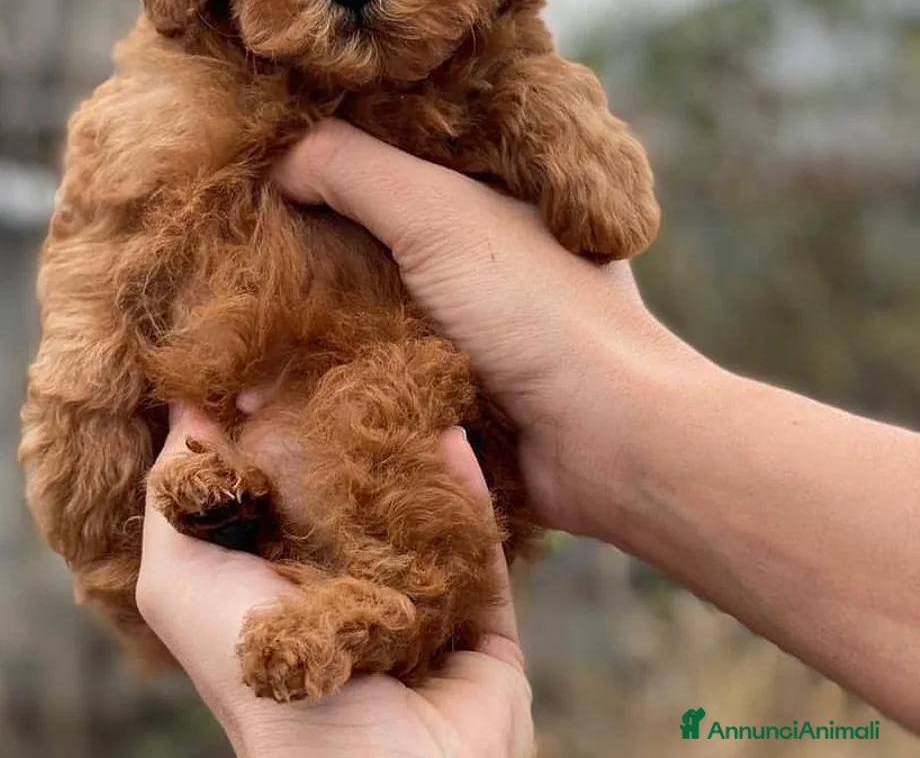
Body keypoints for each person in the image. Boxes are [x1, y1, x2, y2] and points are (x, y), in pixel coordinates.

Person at [136, 120, 920, 756]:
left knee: (393, 398)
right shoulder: (184, 104)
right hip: (263, 424)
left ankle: (381, 602)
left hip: (404, 417)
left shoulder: (484, 87)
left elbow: (598, 199)